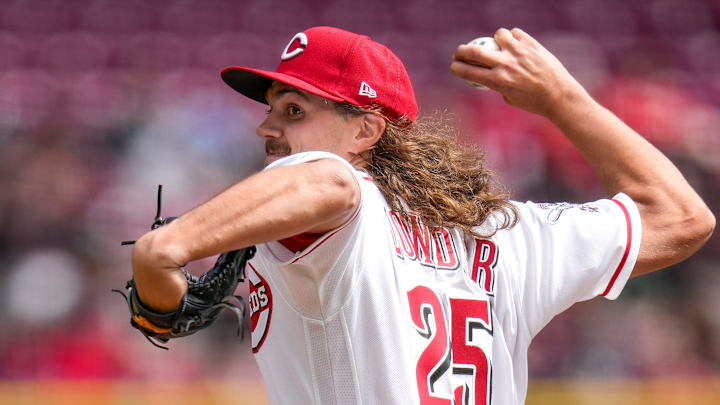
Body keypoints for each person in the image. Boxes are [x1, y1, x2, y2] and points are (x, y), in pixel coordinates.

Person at [129, 26, 714, 404]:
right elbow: (683, 218)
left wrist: (166, 249)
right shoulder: (507, 235)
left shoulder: (337, 204)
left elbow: (332, 181)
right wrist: (566, 102)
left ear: (366, 130)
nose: (267, 126)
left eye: (294, 108)